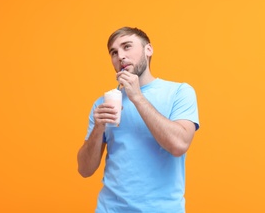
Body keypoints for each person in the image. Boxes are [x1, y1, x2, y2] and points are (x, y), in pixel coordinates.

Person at [77, 27, 199, 213]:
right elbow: (85, 169)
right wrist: (98, 128)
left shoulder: (179, 92)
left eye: (127, 46)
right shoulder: (103, 103)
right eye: (114, 52)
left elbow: (179, 145)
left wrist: (137, 97)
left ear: (148, 50)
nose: (120, 57)